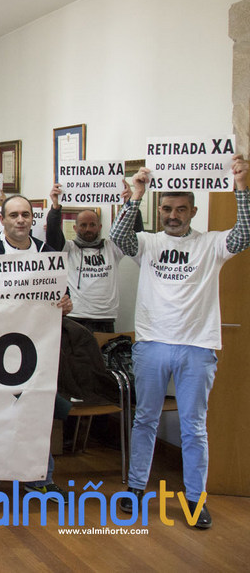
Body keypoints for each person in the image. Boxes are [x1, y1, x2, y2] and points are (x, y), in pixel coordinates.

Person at [111, 156, 249, 529]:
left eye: (181, 209)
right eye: (168, 209)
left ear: (193, 211)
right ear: (160, 210)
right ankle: (135, 488)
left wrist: (240, 186)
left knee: (194, 426)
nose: (173, 215)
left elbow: (244, 234)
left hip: (198, 347)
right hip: (152, 344)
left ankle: (195, 499)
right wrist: (136, 195)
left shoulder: (211, 244)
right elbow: (120, 238)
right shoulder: (148, 242)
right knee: (145, 419)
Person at [0, 194, 73, 502]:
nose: (20, 220)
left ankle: (39, 477)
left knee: (37, 412)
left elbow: (63, 294)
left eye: (25, 214)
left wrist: (66, 304)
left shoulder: (48, 254)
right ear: (2, 220)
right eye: (13, 215)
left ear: (33, 219)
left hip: (38, 348)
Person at [46, 183, 126, 333]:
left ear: (100, 227)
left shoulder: (112, 247)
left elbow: (133, 235)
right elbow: (53, 234)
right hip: (76, 316)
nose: (88, 229)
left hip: (105, 318)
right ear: (75, 228)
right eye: (83, 225)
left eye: (92, 225)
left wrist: (130, 203)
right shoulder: (68, 248)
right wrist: (55, 208)